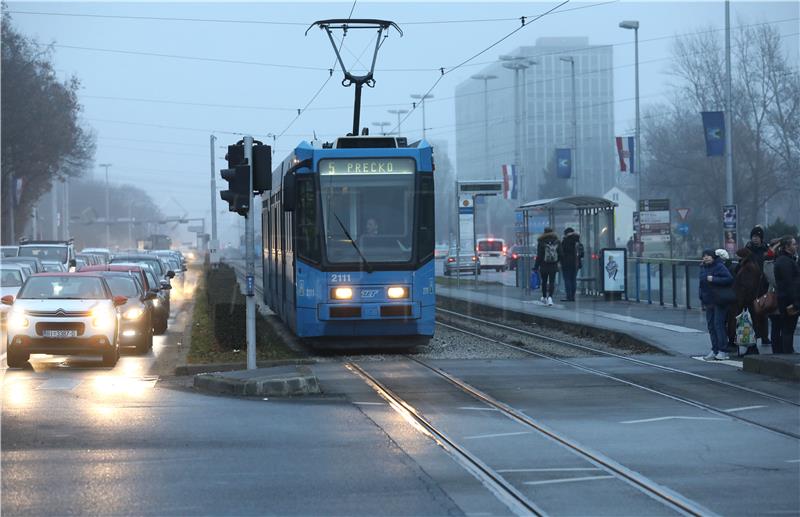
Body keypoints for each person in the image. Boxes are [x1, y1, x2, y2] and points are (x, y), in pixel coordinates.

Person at [699, 248, 734, 360]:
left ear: (713, 257)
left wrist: (714, 279)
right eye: (704, 256)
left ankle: (723, 350)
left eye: (708, 255)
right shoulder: (703, 268)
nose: (706, 257)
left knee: (718, 325)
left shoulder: (719, 266)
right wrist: (701, 297)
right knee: (711, 326)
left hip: (719, 300)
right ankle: (715, 349)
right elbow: (701, 284)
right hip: (708, 301)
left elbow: (729, 279)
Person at [729, 247, 763, 355]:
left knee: (747, 324)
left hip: (745, 301)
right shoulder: (750, 265)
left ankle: (750, 348)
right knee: (750, 324)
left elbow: (746, 286)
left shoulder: (748, 268)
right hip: (749, 300)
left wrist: (741, 302)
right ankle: (751, 347)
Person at [773, 235, 799, 354]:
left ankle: (787, 351)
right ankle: (787, 353)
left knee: (787, 329)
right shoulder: (785, 261)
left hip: (786, 298)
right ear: (787, 246)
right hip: (788, 300)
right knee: (788, 329)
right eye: (793, 244)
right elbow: (789, 284)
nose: (796, 246)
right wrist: (795, 302)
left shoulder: (787, 259)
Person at [533, 227, 562, 307]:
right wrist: (557, 261)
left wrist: (536, 266)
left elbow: (539, 256)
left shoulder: (541, 242)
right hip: (553, 264)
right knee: (552, 281)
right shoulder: (557, 241)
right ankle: (550, 298)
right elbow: (561, 254)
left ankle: (544, 296)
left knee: (544, 281)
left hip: (543, 264)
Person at [561, 228, 583, 302]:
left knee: (567, 279)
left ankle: (569, 296)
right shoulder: (578, 241)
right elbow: (582, 254)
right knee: (573, 279)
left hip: (566, 263)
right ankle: (573, 296)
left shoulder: (565, 241)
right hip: (576, 263)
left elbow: (561, 253)